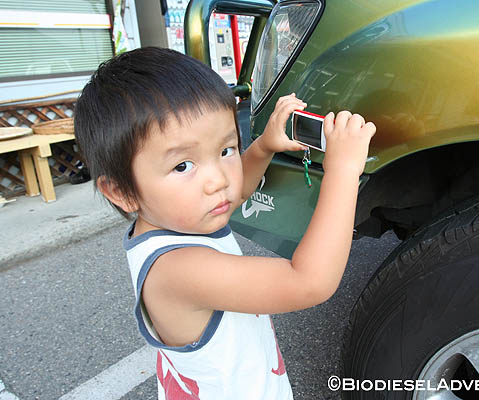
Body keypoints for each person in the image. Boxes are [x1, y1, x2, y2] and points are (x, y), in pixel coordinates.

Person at [74, 47, 375, 399]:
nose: (219, 180)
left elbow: (237, 191)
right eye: (183, 166)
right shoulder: (177, 269)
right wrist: (343, 169)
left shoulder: (175, 219)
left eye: (226, 150)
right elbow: (309, 282)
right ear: (121, 192)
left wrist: (263, 146)